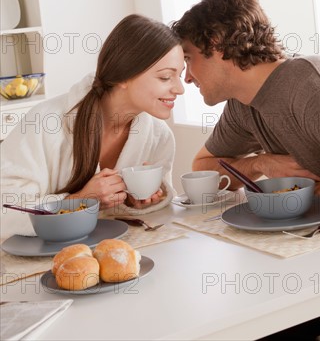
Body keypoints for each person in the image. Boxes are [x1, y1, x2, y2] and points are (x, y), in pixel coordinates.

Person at [171, 0, 320, 340]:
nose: (186, 77)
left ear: (215, 44)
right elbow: (202, 167)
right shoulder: (244, 105)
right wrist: (261, 163)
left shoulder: (316, 95)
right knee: (254, 325)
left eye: (189, 59)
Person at [1, 14, 184, 237]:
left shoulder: (159, 137)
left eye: (180, 76)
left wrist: (139, 202)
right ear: (123, 77)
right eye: (166, 77)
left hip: (122, 254)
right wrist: (79, 202)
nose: (179, 89)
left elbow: (156, 218)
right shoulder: (43, 122)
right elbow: (5, 212)